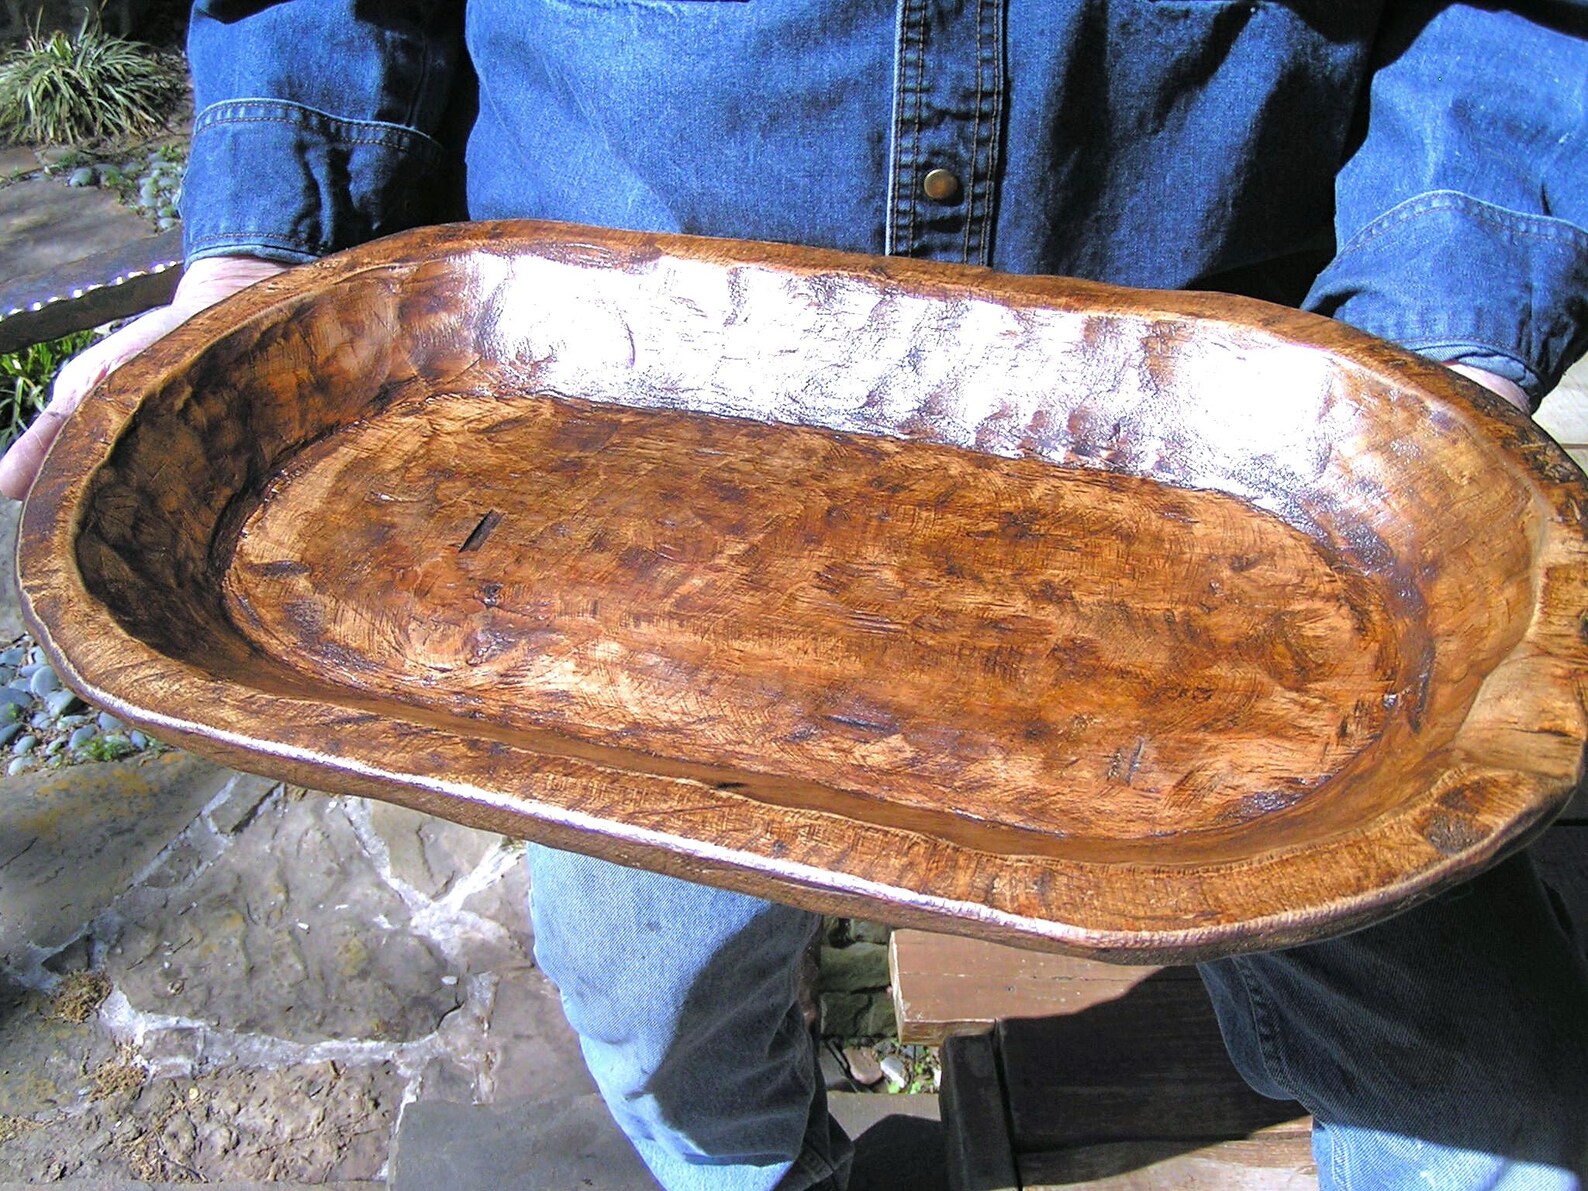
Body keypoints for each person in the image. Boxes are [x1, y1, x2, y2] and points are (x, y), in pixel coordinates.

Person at [4, 2, 1586, 1187]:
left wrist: (1438, 352)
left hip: (1217, 501)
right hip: (602, 465)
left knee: (1494, 1104)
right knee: (664, 1030)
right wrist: (263, 243)